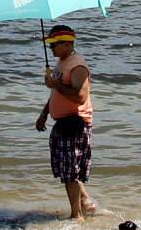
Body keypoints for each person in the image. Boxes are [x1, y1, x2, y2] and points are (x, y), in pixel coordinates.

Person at [34, 24, 96, 220]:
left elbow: (79, 97)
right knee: (65, 167)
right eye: (50, 44)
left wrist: (56, 84)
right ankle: (85, 202)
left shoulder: (78, 66)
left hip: (75, 123)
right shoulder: (61, 62)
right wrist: (44, 114)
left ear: (68, 44)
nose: (51, 48)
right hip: (61, 122)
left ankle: (76, 216)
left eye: (54, 44)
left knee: (70, 172)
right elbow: (56, 94)